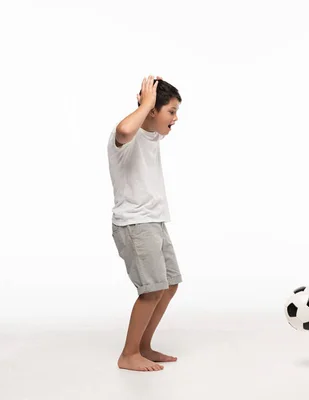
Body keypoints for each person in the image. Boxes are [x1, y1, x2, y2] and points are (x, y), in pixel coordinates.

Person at [108, 75, 183, 372]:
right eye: (172, 111)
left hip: (154, 223)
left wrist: (153, 106)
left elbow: (150, 126)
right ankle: (128, 355)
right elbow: (124, 129)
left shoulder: (152, 135)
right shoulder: (128, 137)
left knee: (170, 284)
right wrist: (147, 102)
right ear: (152, 110)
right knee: (151, 290)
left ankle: (143, 346)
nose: (176, 118)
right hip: (136, 225)